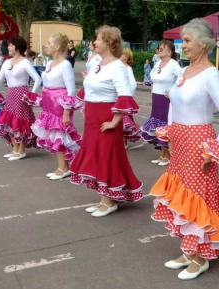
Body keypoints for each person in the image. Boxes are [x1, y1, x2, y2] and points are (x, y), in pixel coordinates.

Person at [150, 18, 219, 280]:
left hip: (198, 143)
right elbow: (173, 104)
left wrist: (213, 150)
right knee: (181, 196)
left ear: (204, 44)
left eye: (187, 40)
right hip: (179, 142)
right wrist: (168, 131)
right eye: (182, 40)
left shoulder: (210, 74)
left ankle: (200, 257)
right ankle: (189, 250)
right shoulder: (183, 72)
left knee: (198, 199)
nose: (183, 45)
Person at [70, 25, 143, 217]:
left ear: (110, 43)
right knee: (95, 155)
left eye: (99, 39)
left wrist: (114, 121)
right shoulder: (97, 64)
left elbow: (125, 94)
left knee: (107, 156)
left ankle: (110, 201)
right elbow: (88, 88)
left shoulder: (118, 67)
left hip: (106, 117)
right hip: (92, 117)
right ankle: (104, 197)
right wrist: (84, 106)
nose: (94, 42)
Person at [29, 33, 82, 180]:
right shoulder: (49, 63)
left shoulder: (65, 65)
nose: (46, 45)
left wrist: (66, 112)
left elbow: (71, 90)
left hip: (59, 105)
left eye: (49, 43)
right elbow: (46, 84)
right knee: (53, 136)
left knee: (60, 135)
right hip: (48, 104)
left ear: (57, 46)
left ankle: (64, 167)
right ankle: (62, 166)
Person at [0, 36, 42, 160]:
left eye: (10, 45)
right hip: (10, 94)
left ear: (17, 48)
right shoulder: (7, 62)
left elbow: (38, 79)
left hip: (21, 94)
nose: (8, 47)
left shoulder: (25, 62)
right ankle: (14, 149)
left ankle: (21, 150)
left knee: (20, 121)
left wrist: (31, 95)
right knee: (9, 122)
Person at [141, 40, 181, 166]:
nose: (159, 50)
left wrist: (173, 91)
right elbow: (152, 76)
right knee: (158, 125)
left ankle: (167, 156)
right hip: (156, 98)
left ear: (169, 52)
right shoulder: (158, 63)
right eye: (159, 48)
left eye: (163, 48)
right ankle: (161, 154)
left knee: (165, 125)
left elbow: (182, 78)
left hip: (166, 99)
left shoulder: (173, 64)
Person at [120, 47, 142, 148]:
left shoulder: (127, 68)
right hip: (118, 96)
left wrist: (128, 96)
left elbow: (133, 84)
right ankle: (120, 141)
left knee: (124, 121)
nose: (120, 56)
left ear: (126, 57)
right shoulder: (118, 67)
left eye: (122, 54)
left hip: (124, 97)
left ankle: (124, 141)